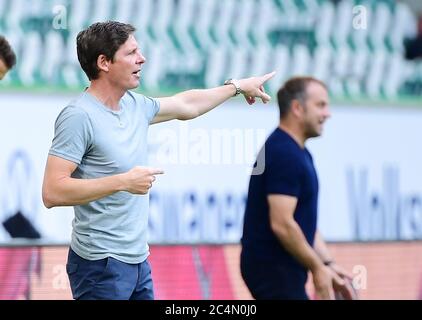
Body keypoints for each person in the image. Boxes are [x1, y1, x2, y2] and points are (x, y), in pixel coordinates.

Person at [41, 21, 275, 300]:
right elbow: (52, 192)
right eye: (131, 53)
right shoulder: (78, 116)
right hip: (98, 265)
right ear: (104, 62)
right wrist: (123, 182)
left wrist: (237, 86)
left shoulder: (135, 105)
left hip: (139, 261)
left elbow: (187, 104)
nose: (142, 58)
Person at [240, 77, 356, 300]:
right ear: (297, 108)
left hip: (282, 270)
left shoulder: (296, 151)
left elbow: (303, 223)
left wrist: (327, 263)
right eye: (320, 105)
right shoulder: (284, 153)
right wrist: (317, 267)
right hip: (273, 270)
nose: (327, 113)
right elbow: (282, 224)